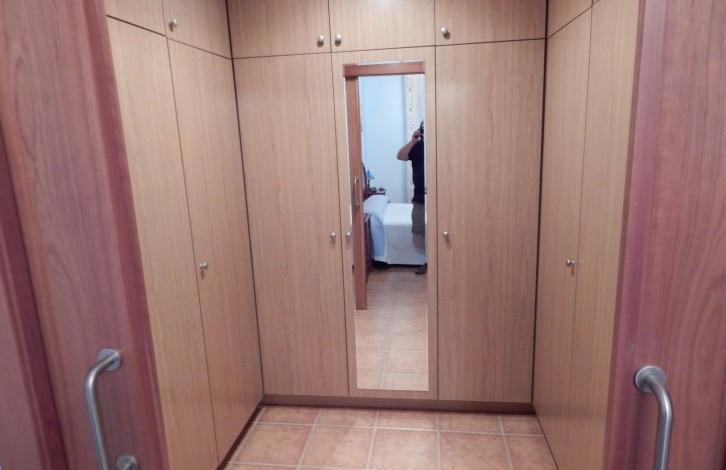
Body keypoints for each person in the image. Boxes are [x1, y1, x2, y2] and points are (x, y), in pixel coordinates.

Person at [397, 121, 426, 275]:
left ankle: (434, 262)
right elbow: (400, 156)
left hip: (438, 199)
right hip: (420, 199)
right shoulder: (416, 147)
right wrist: (413, 141)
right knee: (419, 232)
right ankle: (429, 260)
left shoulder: (439, 145)